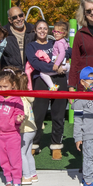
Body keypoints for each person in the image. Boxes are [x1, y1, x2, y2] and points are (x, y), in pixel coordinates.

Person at [26, 20, 70, 160]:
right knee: (38, 115)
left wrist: (63, 63)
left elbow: (68, 51)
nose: (43, 31)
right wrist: (53, 67)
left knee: (58, 114)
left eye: (45, 28)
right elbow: (35, 63)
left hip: (60, 79)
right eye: (40, 28)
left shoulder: (54, 42)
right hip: (41, 81)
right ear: (35, 30)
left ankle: (56, 144)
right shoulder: (31, 46)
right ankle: (35, 144)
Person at [0, 69, 27, 186]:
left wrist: (18, 118)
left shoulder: (16, 99)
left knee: (14, 159)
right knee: (3, 160)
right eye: (0, 86)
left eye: (6, 86)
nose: (3, 89)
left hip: (12, 135)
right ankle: (8, 180)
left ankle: (16, 181)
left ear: (13, 85)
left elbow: (18, 114)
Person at [37, 21, 71, 91]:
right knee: (67, 78)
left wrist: (56, 64)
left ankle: (52, 87)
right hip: (67, 65)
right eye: (54, 31)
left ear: (64, 34)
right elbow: (68, 48)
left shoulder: (59, 42)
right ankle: (69, 85)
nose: (55, 34)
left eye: (59, 32)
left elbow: (62, 53)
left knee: (42, 73)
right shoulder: (64, 41)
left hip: (62, 64)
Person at [0, 6, 36, 71]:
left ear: (24, 15)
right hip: (11, 74)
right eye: (14, 17)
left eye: (20, 15)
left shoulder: (33, 31)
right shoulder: (3, 33)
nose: (19, 19)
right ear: (10, 20)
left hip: (31, 73)